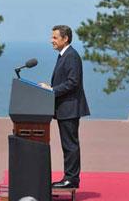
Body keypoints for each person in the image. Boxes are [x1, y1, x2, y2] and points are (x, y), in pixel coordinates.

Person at [39, 25, 90, 189]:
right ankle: (69, 177)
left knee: (70, 145)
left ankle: (71, 179)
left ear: (65, 38)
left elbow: (73, 83)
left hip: (70, 108)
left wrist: (52, 90)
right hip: (64, 108)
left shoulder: (71, 56)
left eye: (54, 37)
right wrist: (49, 87)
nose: (51, 40)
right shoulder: (64, 55)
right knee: (68, 145)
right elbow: (65, 81)